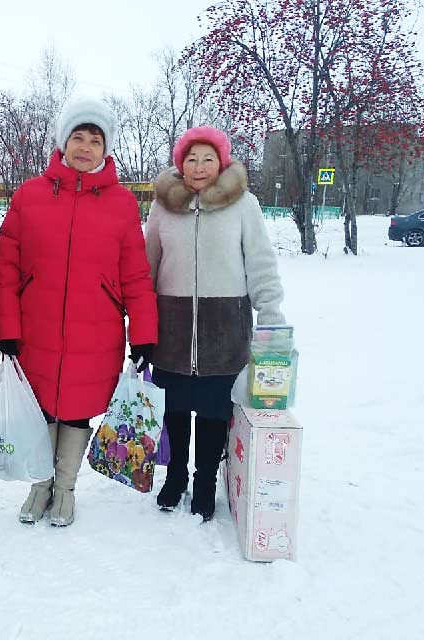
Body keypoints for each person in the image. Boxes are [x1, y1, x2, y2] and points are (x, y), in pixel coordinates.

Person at [0, 98, 158, 528]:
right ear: (64, 142)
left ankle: (64, 489)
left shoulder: (122, 203)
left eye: (95, 140)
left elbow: (136, 275)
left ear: (106, 148)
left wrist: (144, 333)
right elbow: (5, 268)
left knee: (77, 410)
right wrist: (6, 327)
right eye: (78, 137)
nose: (85, 147)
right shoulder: (29, 195)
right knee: (42, 409)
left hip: (96, 331)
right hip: (36, 330)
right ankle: (40, 485)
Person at [144, 125, 286, 521]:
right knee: (174, 409)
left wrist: (271, 313)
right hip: (170, 328)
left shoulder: (244, 205)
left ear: (221, 162)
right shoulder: (162, 206)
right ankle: (175, 477)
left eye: (208, 158)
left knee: (212, 412)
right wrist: (138, 321)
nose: (199, 166)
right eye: (191, 158)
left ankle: (205, 479)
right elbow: (147, 265)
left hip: (224, 330)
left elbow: (260, 263)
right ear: (180, 164)